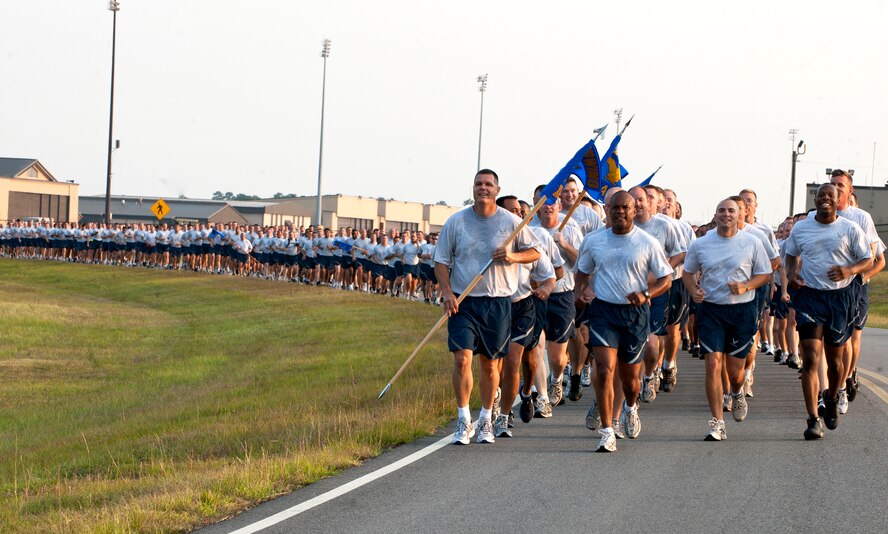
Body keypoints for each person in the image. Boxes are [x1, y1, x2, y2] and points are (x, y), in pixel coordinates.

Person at [434, 169, 540, 445]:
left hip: (498, 302)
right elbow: (441, 261)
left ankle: (485, 420)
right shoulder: (456, 222)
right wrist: (446, 292)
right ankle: (462, 419)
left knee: (491, 365)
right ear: (473, 188)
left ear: (497, 189)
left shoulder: (511, 222)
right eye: (479, 184)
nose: (483, 188)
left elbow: (535, 252)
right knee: (462, 359)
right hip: (463, 301)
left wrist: (512, 255)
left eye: (488, 184)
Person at [574, 190, 672, 452]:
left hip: (634, 314)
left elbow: (666, 279)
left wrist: (646, 294)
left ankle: (631, 406)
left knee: (630, 380)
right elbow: (582, 272)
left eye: (625, 208)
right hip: (604, 311)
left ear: (634, 211)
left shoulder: (647, 242)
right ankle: (607, 431)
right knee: (605, 370)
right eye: (614, 208)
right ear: (607, 211)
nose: (619, 212)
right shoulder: (594, 241)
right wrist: (580, 293)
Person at [784, 183, 872, 440]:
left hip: (840, 299)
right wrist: (791, 273)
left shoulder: (850, 228)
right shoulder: (801, 228)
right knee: (810, 358)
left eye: (830, 196)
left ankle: (831, 396)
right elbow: (790, 255)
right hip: (810, 297)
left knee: (835, 362)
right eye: (820, 195)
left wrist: (849, 270)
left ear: (838, 201)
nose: (824, 199)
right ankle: (812, 419)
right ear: (815, 198)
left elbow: (868, 259)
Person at [682, 199, 772, 441]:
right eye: (722, 210)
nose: (726, 214)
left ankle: (736, 391)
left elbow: (765, 274)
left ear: (739, 215)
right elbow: (687, 273)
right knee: (713, 363)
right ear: (716, 215)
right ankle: (717, 422)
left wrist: (746, 286)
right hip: (711, 310)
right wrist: (693, 291)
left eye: (731, 210)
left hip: (741, 311)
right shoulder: (701, 243)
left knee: (735, 372)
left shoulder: (752, 242)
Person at [829, 169, 886, 412]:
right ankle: (833, 384)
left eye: (841, 184)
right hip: (828, 288)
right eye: (833, 184)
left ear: (850, 190)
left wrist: (859, 276)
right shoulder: (820, 216)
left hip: (855, 286)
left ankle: (845, 380)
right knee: (831, 342)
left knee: (851, 338)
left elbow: (875, 257)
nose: (836, 188)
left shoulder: (861, 217)